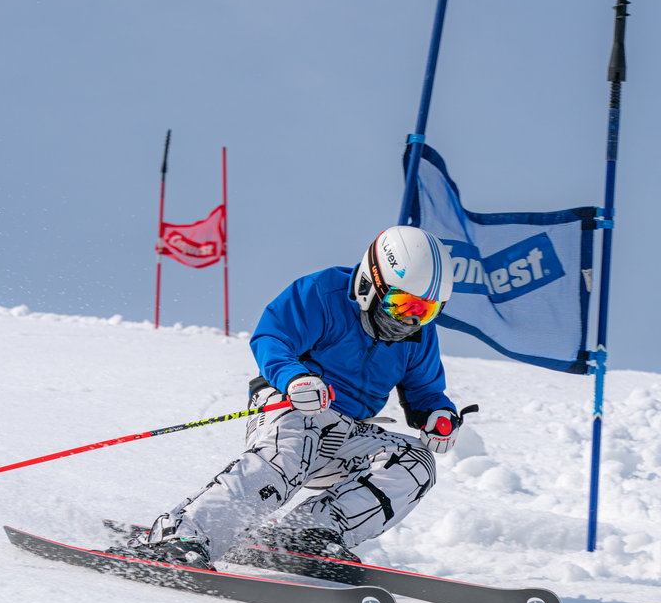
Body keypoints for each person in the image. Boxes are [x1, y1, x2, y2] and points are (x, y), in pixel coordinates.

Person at [123, 225, 466, 570]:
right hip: (290, 405)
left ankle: (308, 535)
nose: (409, 320)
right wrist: (296, 379)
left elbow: (425, 390)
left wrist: (438, 416)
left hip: (347, 432)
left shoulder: (419, 336)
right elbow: (273, 338)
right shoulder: (323, 293)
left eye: (426, 311)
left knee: (415, 463)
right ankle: (181, 534)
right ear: (370, 284)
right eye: (402, 303)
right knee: (287, 452)